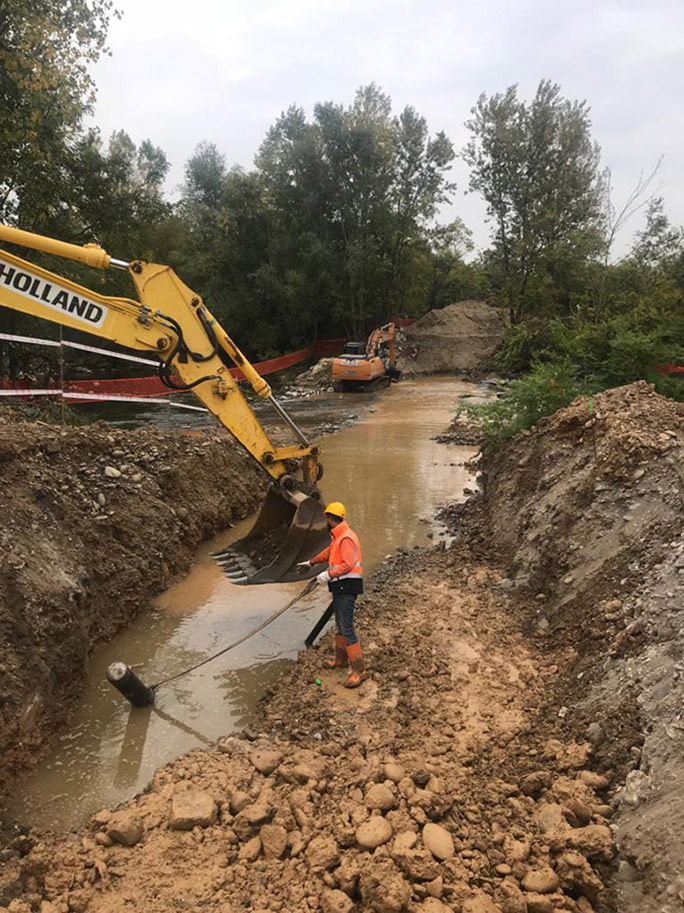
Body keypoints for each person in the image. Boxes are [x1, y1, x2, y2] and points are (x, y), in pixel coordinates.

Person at [298, 502, 366, 688]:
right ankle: (340, 660)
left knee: (347, 628)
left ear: (331, 518)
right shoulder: (338, 537)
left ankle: (359, 671)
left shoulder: (346, 538)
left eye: (326, 518)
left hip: (347, 587)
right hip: (339, 587)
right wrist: (311, 563)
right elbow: (328, 553)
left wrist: (327, 575)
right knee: (340, 625)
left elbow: (347, 565)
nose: (325, 521)